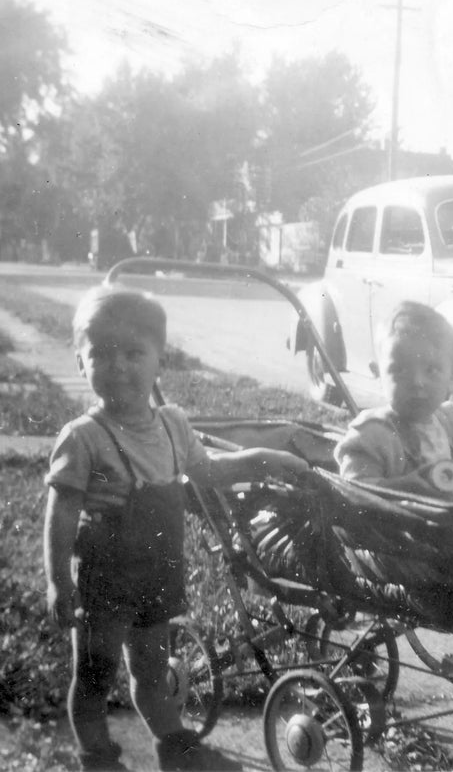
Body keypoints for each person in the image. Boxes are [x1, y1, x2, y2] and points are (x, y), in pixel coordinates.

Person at [44, 285, 309, 771]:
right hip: (106, 579)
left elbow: (209, 474)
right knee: (96, 674)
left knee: (149, 667)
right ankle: (96, 754)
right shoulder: (84, 438)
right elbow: (61, 513)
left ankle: (172, 740)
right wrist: (58, 581)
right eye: (101, 354)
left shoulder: (173, 425)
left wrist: (261, 458)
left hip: (157, 574)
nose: (119, 365)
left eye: (134, 353)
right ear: (80, 363)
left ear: (158, 361)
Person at [334, 301, 453, 501]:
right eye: (399, 370)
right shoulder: (372, 434)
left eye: (432, 370)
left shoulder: (451, 423)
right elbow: (352, 491)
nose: (417, 382)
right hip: (392, 530)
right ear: (378, 373)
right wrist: (400, 488)